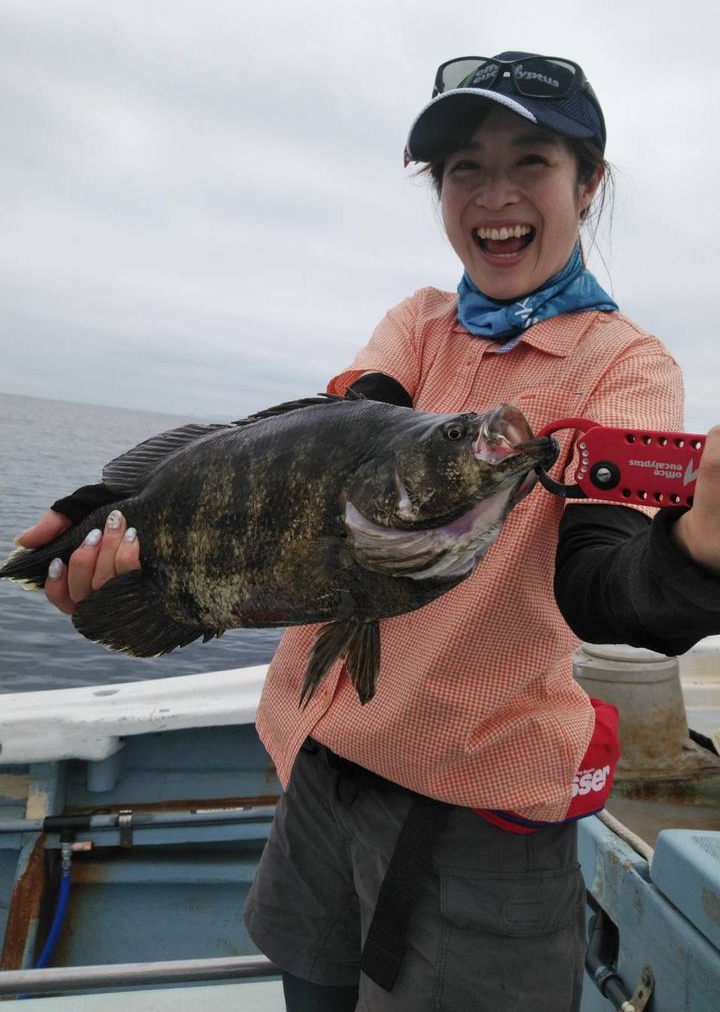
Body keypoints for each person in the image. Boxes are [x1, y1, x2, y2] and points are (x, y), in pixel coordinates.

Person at [19, 51, 720, 1012]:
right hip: (320, 774)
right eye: (463, 167)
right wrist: (111, 509)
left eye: (532, 160)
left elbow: (599, 582)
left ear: (588, 180)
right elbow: (325, 438)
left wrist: (693, 558)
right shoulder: (418, 324)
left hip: (480, 821)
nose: (495, 194)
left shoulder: (626, 368)